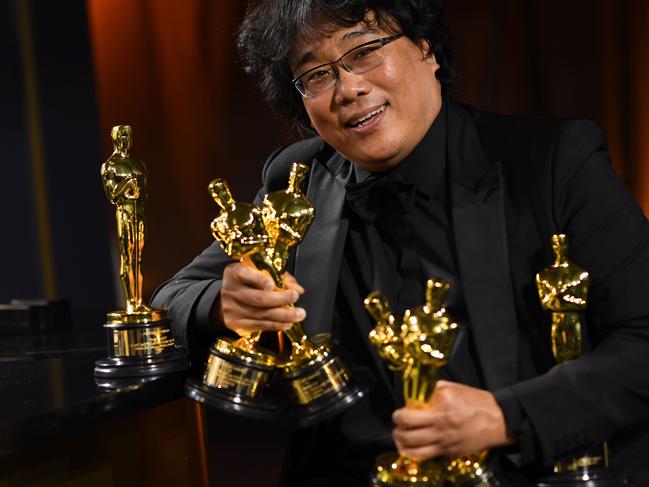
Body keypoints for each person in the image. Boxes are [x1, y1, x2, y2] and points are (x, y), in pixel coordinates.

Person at [151, 1, 649, 485]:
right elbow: (171, 297)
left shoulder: (551, 163)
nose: (348, 88)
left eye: (363, 51)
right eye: (316, 75)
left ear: (427, 49)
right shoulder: (298, 182)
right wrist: (225, 304)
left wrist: (507, 415)